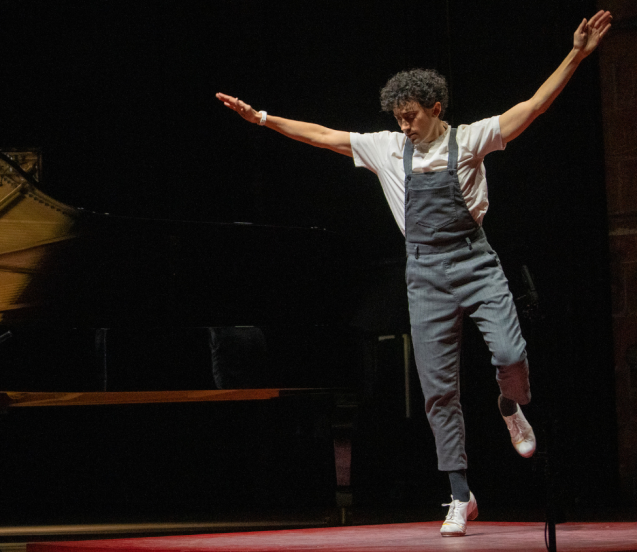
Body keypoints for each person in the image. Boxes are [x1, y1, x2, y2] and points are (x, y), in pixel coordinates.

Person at [216, 10, 611, 537]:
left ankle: (510, 404)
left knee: (511, 355)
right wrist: (262, 119)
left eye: (411, 117)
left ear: (436, 108)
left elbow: (533, 107)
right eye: (397, 117)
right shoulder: (387, 148)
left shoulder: (470, 140)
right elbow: (321, 136)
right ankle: (459, 494)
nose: (403, 126)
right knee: (437, 389)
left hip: (475, 261)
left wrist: (578, 53)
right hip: (423, 274)